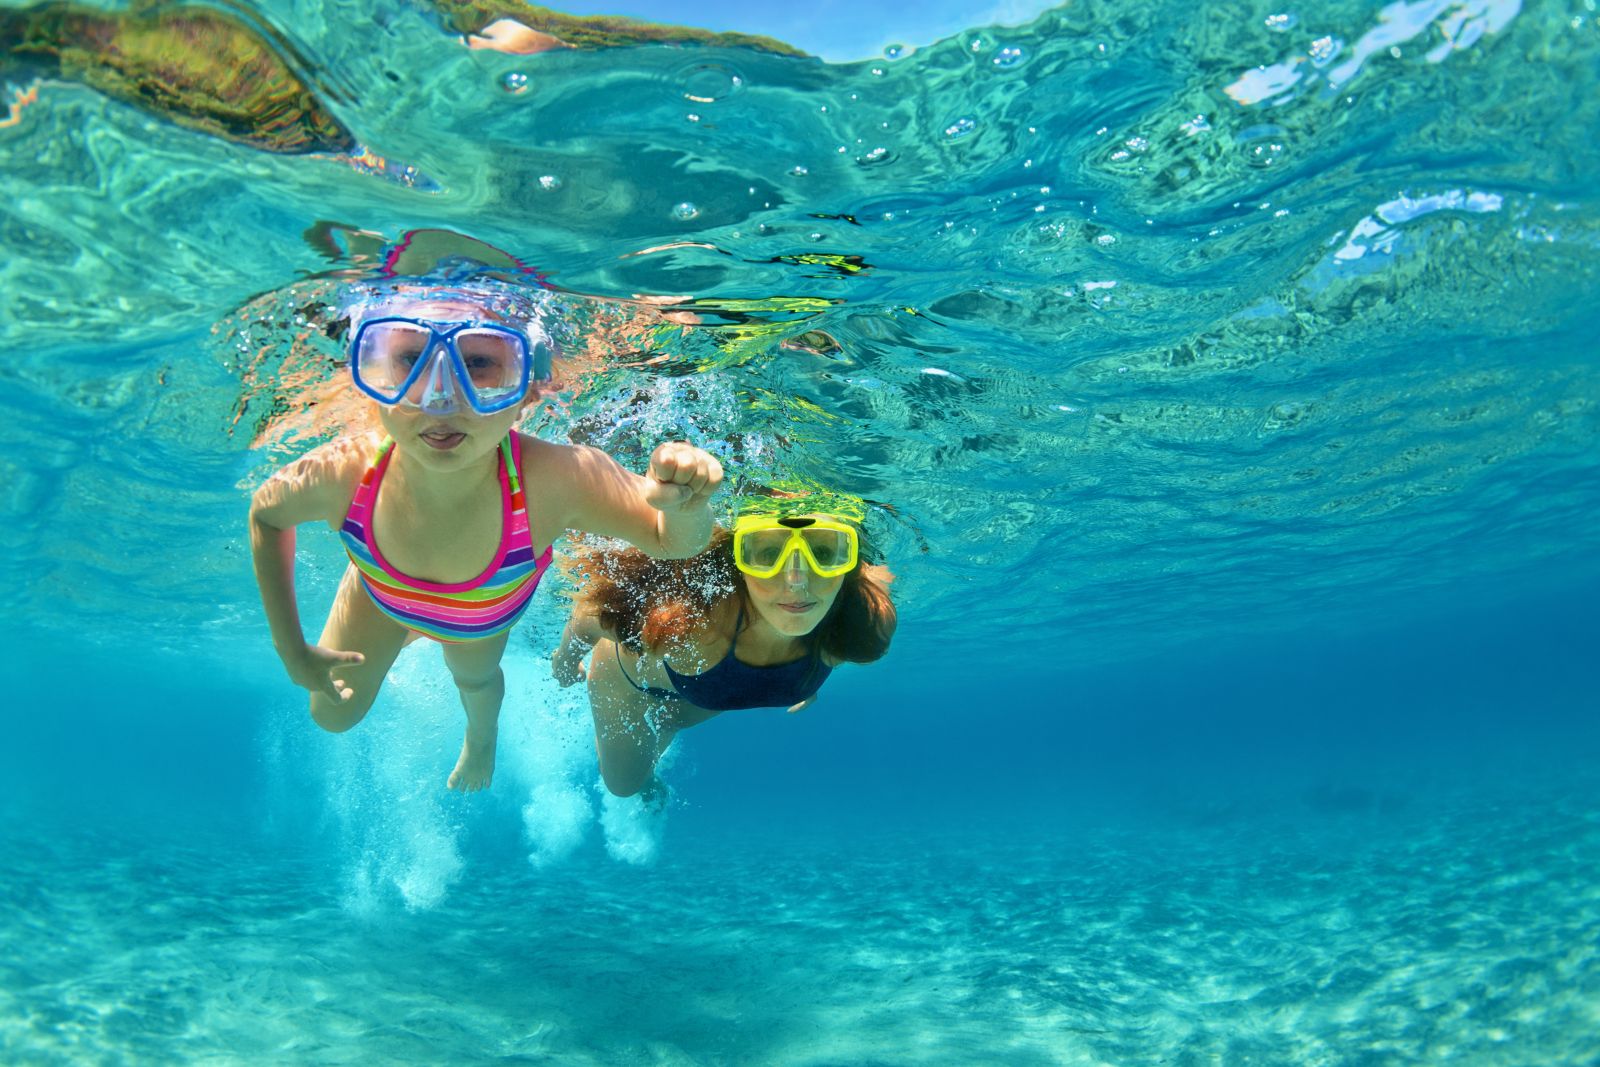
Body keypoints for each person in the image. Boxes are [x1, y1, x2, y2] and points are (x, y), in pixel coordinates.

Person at [248, 283, 723, 792]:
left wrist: (689, 506)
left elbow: (673, 541)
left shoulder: (553, 480)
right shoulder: (345, 473)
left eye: (477, 364)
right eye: (410, 359)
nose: (440, 396)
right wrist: (291, 650)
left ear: (529, 389)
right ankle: (395, 609)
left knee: (473, 680)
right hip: (380, 595)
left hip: (476, 618)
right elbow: (266, 516)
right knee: (331, 714)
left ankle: (481, 741)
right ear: (373, 374)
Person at [552, 509, 896, 797]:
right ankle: (648, 781)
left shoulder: (864, 621)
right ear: (739, 561)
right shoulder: (691, 623)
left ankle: (664, 727)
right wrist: (565, 661)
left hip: (704, 692)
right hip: (630, 685)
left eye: (822, 553)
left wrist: (812, 677)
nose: (797, 581)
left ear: (847, 564)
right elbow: (590, 616)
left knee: (669, 721)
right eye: (767, 554)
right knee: (624, 787)